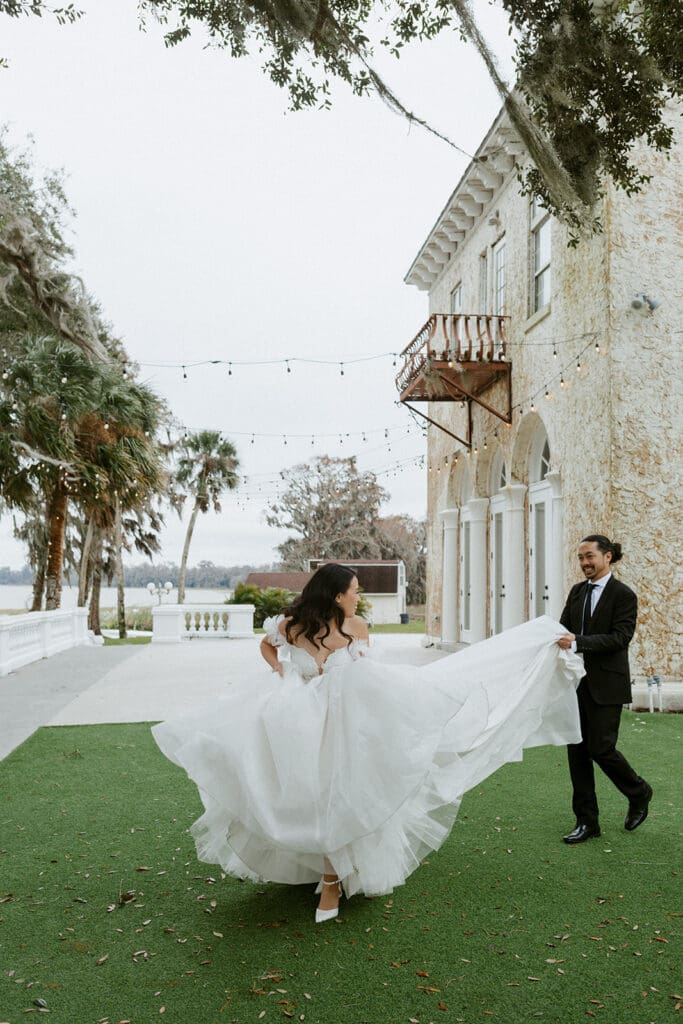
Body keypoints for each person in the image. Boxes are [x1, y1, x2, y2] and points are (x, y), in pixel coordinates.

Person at [153, 562, 585, 924]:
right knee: (297, 792)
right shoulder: (290, 623)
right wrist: (283, 672)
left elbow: (367, 669)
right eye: (354, 591)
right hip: (296, 716)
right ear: (336, 594)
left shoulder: (355, 626)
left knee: (341, 793)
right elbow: (267, 647)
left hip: (347, 717)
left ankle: (331, 881)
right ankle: (316, 869)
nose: (359, 597)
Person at [556, 535, 652, 844]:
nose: (584, 563)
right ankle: (587, 822)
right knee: (577, 751)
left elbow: (619, 638)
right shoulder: (576, 592)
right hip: (576, 683)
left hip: (607, 685)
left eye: (589, 557)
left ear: (607, 557)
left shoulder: (624, 595)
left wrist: (579, 642)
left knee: (601, 748)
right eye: (581, 558)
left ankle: (639, 792)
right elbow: (563, 629)